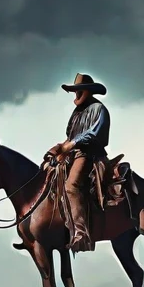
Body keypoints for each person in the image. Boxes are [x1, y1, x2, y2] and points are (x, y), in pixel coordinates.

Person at [48, 73, 110, 253]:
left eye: (78, 90)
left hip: (90, 154)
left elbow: (93, 134)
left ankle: (80, 234)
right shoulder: (77, 112)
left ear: (88, 91)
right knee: (50, 176)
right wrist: (60, 148)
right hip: (73, 153)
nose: (75, 94)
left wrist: (70, 145)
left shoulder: (99, 109)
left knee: (71, 186)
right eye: (74, 91)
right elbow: (70, 136)